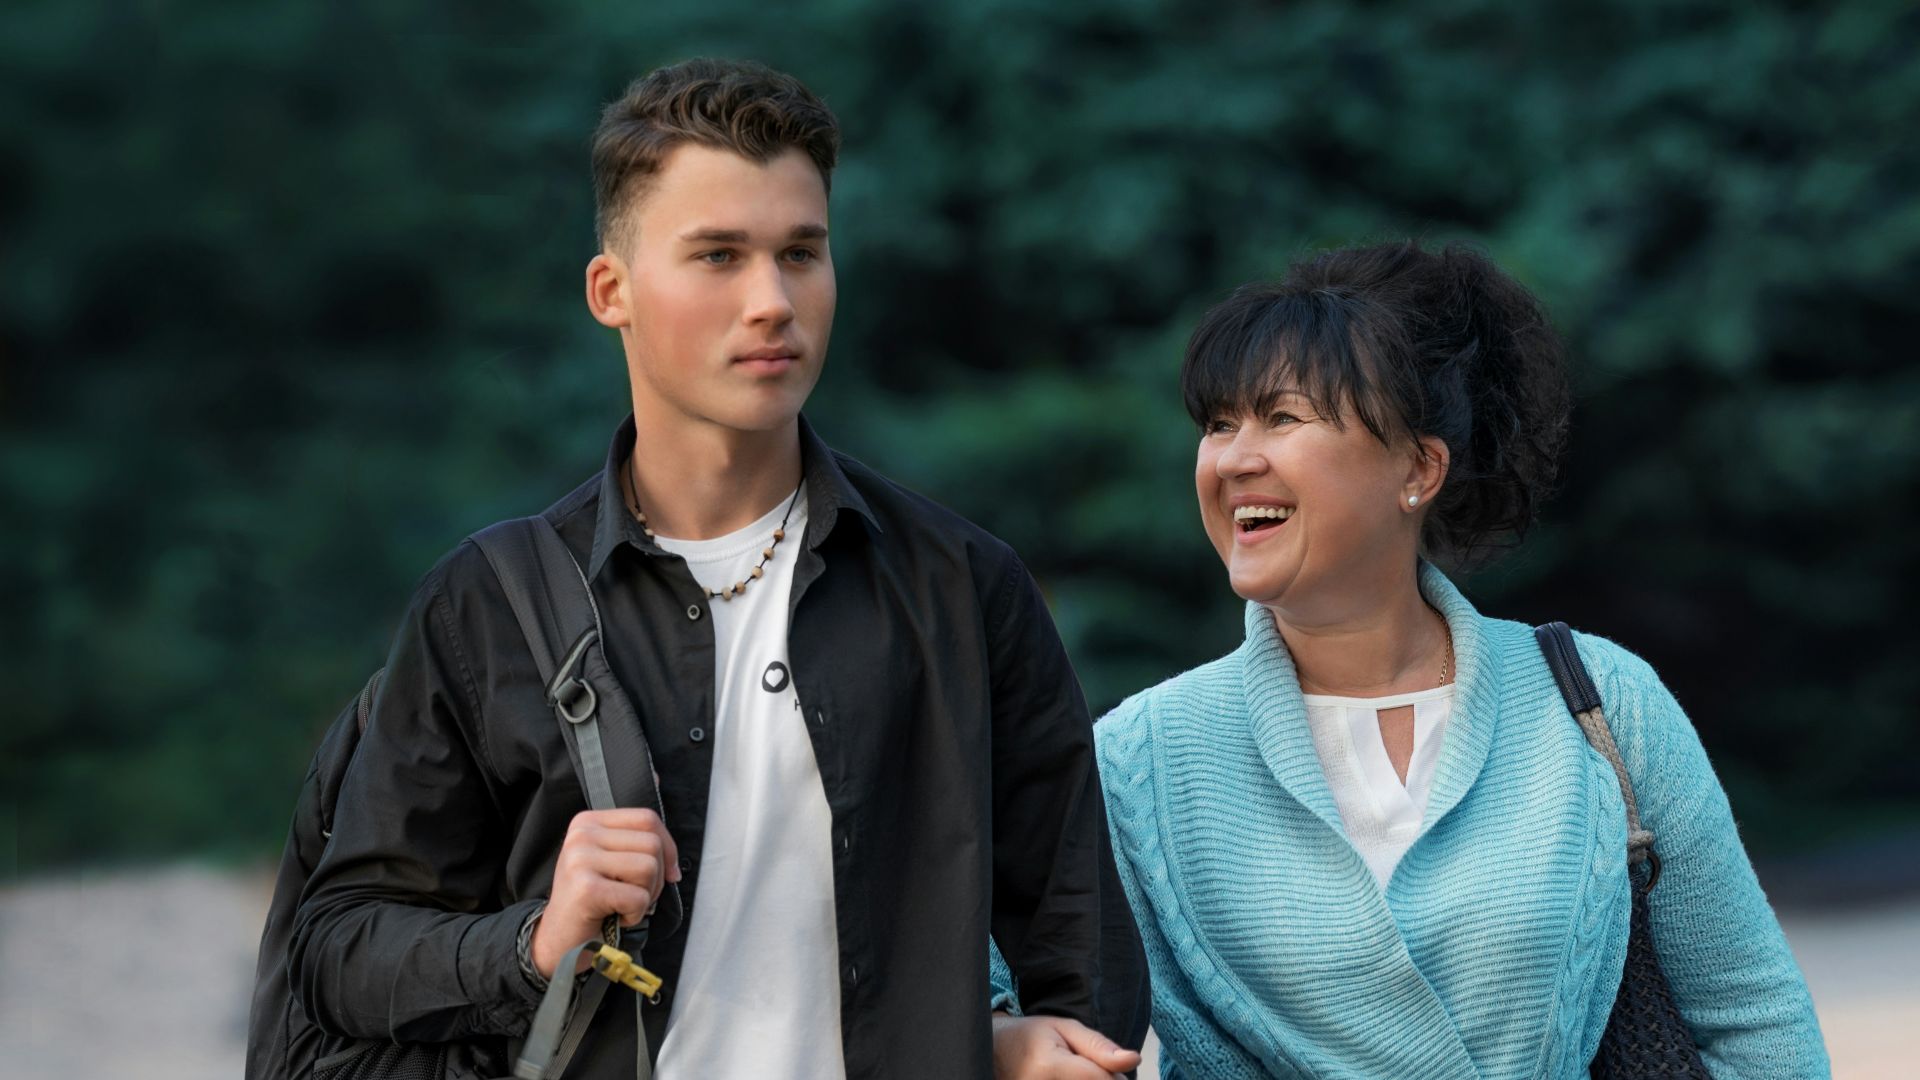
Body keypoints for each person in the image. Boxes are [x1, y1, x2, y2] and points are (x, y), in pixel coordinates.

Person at [290, 58, 1148, 1080]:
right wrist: (536, 940)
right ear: (612, 291)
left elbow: (1080, 953)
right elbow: (338, 946)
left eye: (800, 252)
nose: (773, 300)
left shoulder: (964, 589)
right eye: (719, 256)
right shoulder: (490, 607)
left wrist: (1007, 1052)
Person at [992, 241, 1828, 1078]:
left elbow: (1754, 1019)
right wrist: (999, 1036)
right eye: (1217, 423)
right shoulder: (1140, 758)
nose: (1233, 458)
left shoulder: (1601, 703)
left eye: (1282, 417)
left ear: (1419, 469)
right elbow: (966, 963)